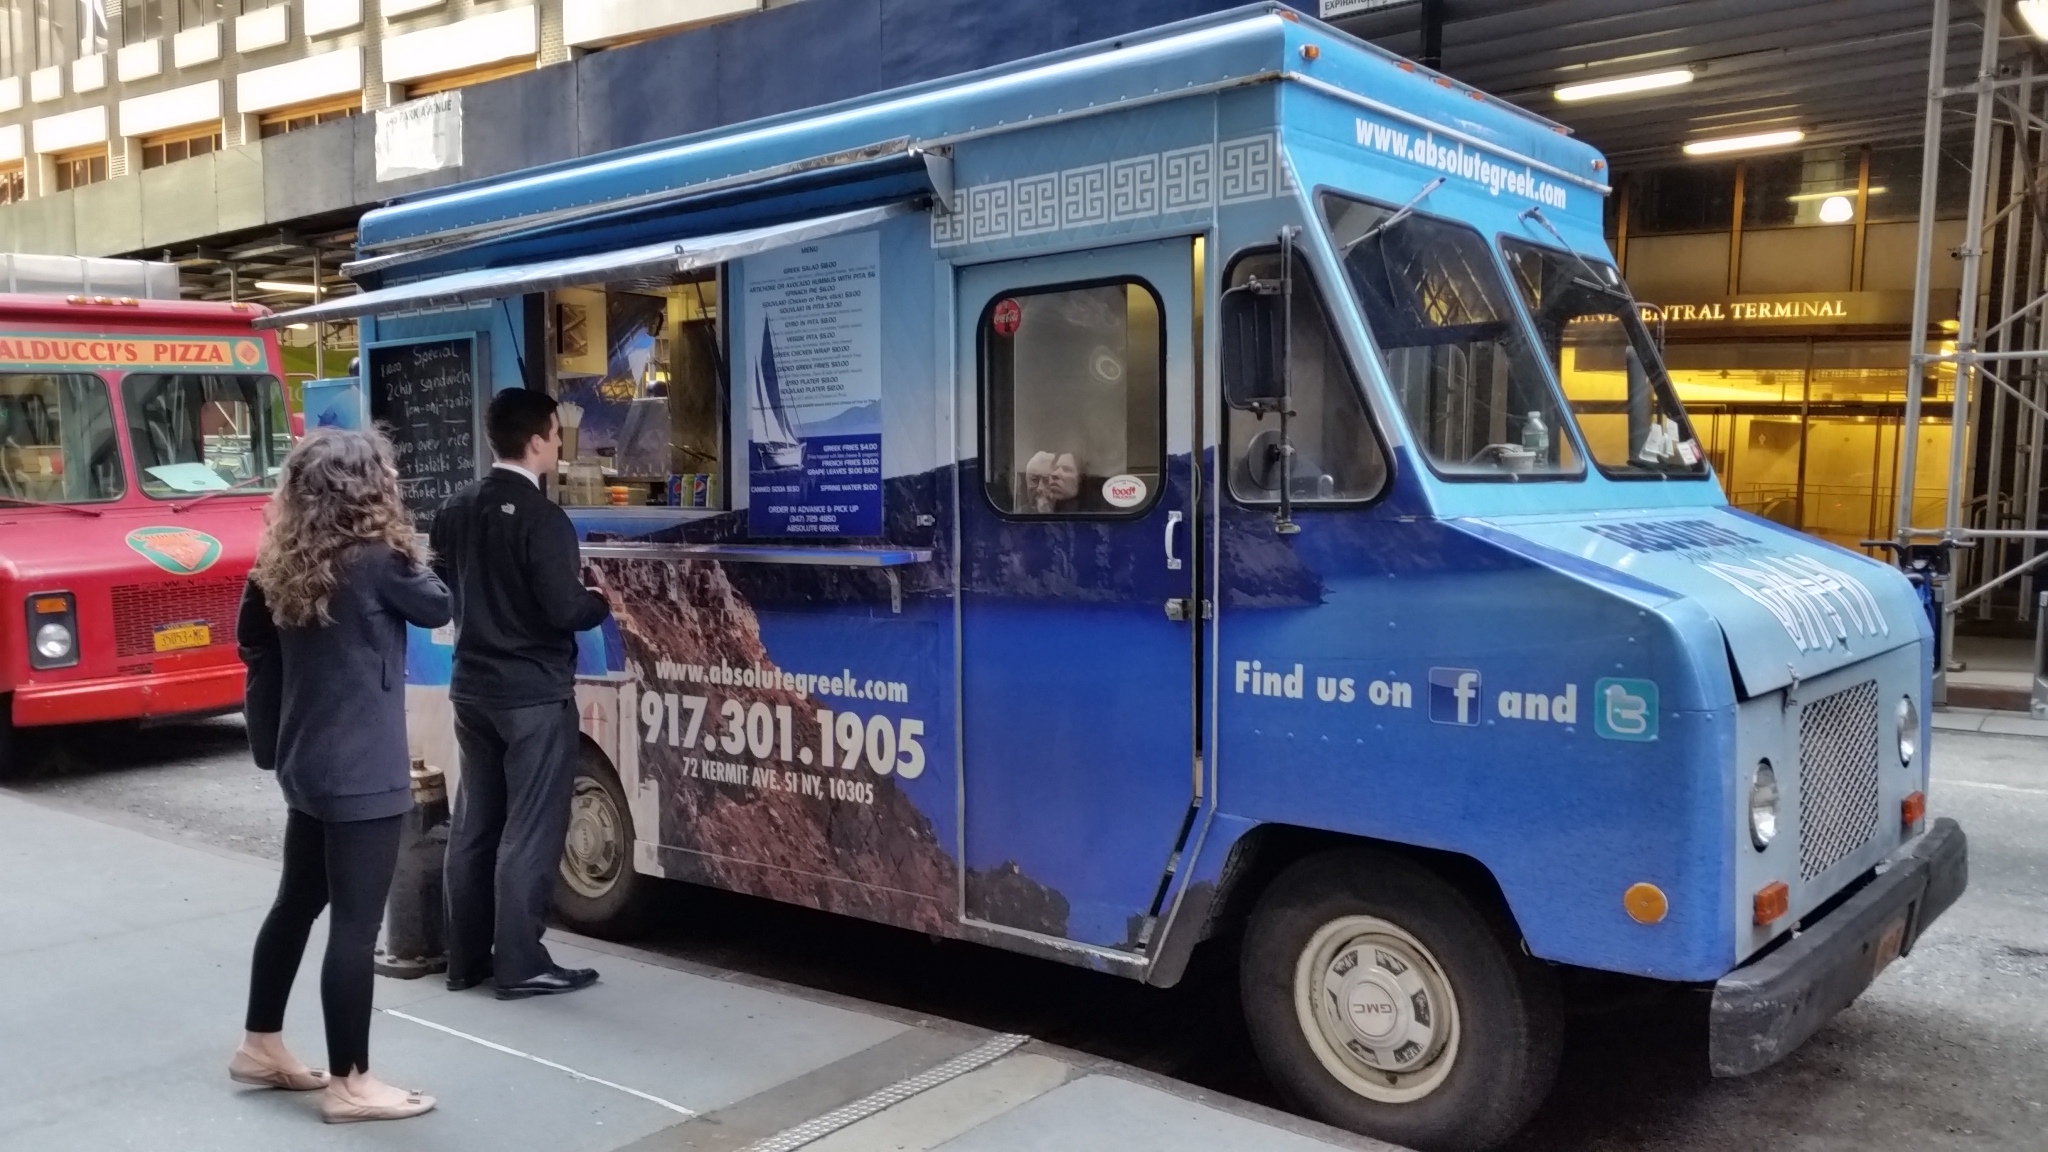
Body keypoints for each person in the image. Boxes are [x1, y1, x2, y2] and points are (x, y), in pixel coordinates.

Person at [235, 427, 451, 1125]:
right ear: (369, 488)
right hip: (362, 772)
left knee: (295, 904)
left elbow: (253, 643)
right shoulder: (380, 561)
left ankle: (261, 1043)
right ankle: (351, 1083)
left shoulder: (276, 564)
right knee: (356, 930)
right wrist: (402, 540)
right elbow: (439, 604)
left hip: (305, 763)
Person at [432, 388, 612, 999]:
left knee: (475, 822)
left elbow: (440, 587)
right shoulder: (543, 519)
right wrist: (599, 602)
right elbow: (564, 608)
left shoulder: (455, 508)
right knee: (530, 827)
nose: (560, 443)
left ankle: (465, 960)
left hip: (471, 689)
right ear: (536, 441)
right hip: (532, 693)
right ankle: (520, 963)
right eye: (557, 434)